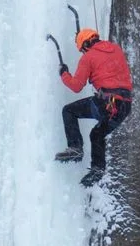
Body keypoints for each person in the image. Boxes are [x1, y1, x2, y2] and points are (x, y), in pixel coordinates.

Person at [55, 27, 132, 186]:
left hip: (108, 103)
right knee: (97, 134)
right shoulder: (116, 49)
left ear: (85, 46)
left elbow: (76, 86)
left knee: (69, 111)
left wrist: (64, 73)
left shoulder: (88, 57)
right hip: (125, 105)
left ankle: (75, 148)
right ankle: (98, 169)